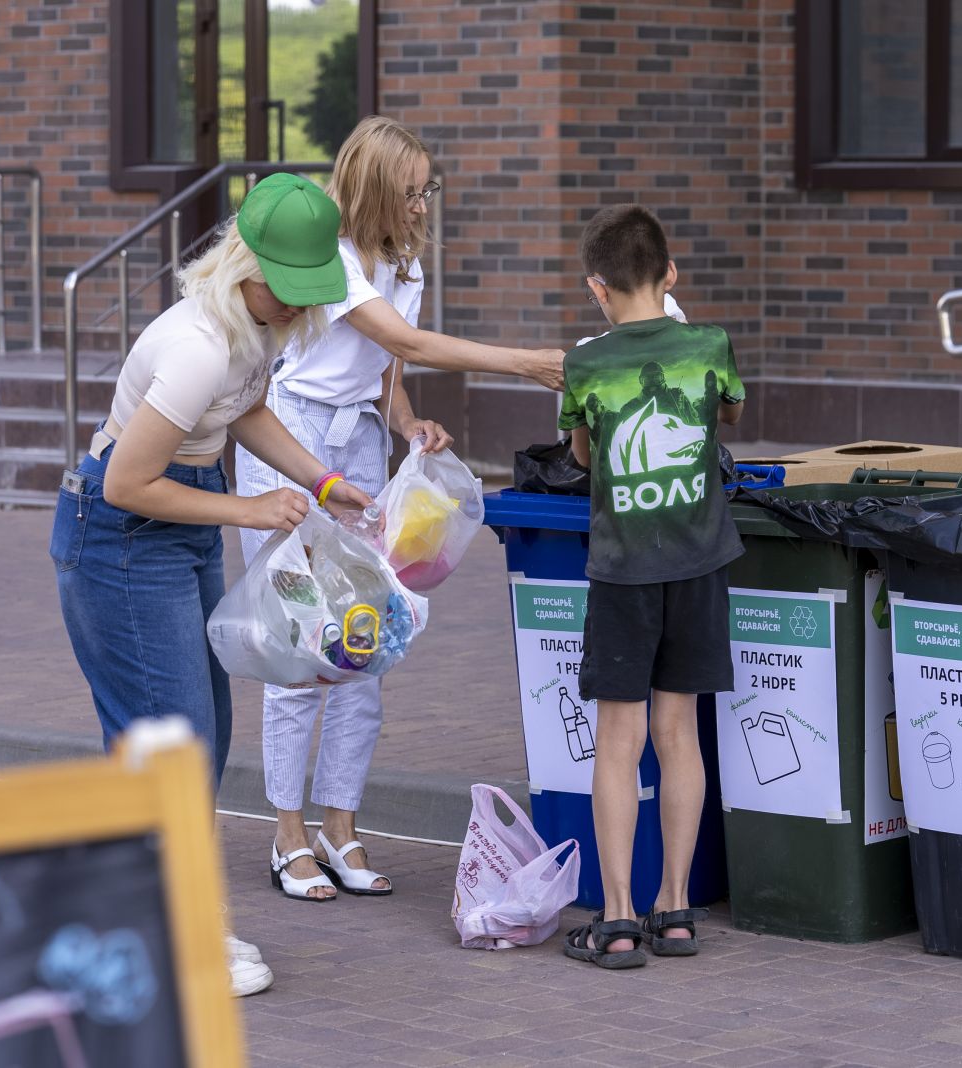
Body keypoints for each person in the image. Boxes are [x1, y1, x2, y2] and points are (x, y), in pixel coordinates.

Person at [50, 173, 370, 996]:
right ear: (245, 264)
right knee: (174, 740)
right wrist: (250, 507)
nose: (302, 309)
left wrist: (323, 482)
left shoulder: (256, 328)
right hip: (123, 539)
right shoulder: (196, 344)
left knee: (202, 731)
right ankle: (178, 934)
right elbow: (125, 483)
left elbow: (248, 412)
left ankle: (146, 918)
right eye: (289, 291)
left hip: (174, 538)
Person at [235, 115, 567, 904]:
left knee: (364, 647)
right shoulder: (337, 260)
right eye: (412, 194)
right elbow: (404, 342)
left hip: (357, 440)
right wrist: (522, 361)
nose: (423, 207)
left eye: (427, 192)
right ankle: (288, 837)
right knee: (298, 650)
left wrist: (408, 421)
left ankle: (341, 829)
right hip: (291, 436)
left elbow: (385, 369)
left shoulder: (401, 263)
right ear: (379, 192)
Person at [557, 204, 745, 968]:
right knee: (679, 738)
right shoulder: (709, 345)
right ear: (671, 275)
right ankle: (675, 908)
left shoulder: (585, 364)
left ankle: (618, 918)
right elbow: (725, 413)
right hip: (698, 566)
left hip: (624, 573)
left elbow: (580, 453)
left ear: (596, 288)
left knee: (618, 742)